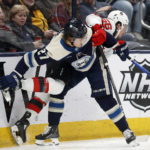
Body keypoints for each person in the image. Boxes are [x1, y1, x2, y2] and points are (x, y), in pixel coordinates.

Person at [0, 18, 138, 147]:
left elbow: (104, 36)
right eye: (81, 38)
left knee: (104, 97)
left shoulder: (87, 32)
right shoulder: (54, 50)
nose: (86, 38)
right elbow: (27, 59)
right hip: (71, 66)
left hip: (94, 64)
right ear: (70, 40)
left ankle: (126, 131)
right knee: (57, 90)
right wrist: (15, 75)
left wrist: (117, 45)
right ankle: (50, 127)